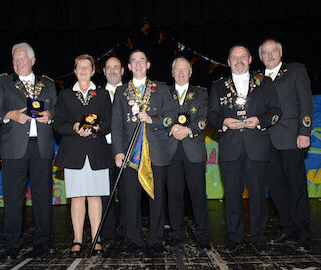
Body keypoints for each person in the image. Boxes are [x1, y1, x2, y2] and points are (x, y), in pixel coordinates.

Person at [0, 42, 57, 259]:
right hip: (13, 149)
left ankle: (43, 242)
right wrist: (10, 114)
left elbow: (57, 109)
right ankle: (12, 244)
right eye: (15, 58)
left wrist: (50, 116)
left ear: (33, 61)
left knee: (43, 197)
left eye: (22, 58)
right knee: (13, 198)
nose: (18, 62)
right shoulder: (2, 82)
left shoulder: (48, 84)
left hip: (41, 147)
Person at [207, 45, 281, 255]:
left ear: (250, 59)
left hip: (256, 148)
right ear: (228, 62)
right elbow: (211, 115)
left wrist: (259, 121)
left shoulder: (265, 83)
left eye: (242, 56)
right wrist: (224, 122)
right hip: (230, 149)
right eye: (234, 57)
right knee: (231, 196)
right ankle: (234, 238)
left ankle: (258, 237)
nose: (238, 60)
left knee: (258, 195)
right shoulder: (218, 85)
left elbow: (276, 111)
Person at [111, 49, 175, 256]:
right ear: (128, 67)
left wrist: (152, 120)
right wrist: (118, 152)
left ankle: (156, 241)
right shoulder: (122, 92)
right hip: (130, 155)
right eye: (133, 61)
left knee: (156, 200)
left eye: (142, 61)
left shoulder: (162, 89)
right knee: (129, 200)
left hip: (155, 152)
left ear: (148, 65)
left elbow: (171, 117)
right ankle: (134, 241)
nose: (138, 64)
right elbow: (116, 124)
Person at [53, 54, 112, 257]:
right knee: (77, 197)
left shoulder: (103, 95)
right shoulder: (65, 95)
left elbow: (109, 123)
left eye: (87, 67)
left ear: (93, 71)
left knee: (95, 196)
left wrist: (96, 128)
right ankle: (77, 240)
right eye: (80, 67)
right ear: (75, 70)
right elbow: (57, 123)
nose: (84, 70)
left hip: (97, 151)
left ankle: (96, 239)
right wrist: (74, 126)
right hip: (73, 152)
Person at [259, 38, 313, 252]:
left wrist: (304, 132)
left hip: (292, 139)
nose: (270, 55)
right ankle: (287, 228)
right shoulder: (257, 79)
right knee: (276, 189)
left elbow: (305, 103)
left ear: (281, 54)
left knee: (296, 186)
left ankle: (304, 232)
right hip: (266, 142)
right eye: (265, 52)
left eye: (273, 51)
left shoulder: (296, 71)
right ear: (261, 57)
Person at [166, 57, 211, 251]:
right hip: (171, 151)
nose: (181, 73)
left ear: (190, 73)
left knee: (198, 196)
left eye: (185, 69)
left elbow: (203, 118)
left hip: (193, 150)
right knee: (174, 196)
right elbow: (161, 116)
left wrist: (188, 130)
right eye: (178, 70)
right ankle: (177, 234)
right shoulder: (164, 93)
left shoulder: (201, 93)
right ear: (172, 73)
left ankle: (203, 236)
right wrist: (172, 128)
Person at [100, 56, 125, 249]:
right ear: (103, 71)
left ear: (123, 70)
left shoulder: (131, 93)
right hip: (103, 150)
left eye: (116, 67)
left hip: (127, 150)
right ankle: (107, 235)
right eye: (109, 67)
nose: (113, 70)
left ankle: (126, 234)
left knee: (127, 194)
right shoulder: (98, 95)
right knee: (104, 195)